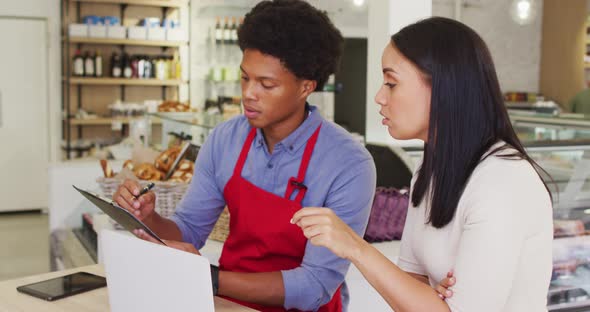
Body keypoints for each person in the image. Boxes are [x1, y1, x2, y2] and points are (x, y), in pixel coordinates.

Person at [113, 1, 376, 311]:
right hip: (229, 303)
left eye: (266, 84)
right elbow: (189, 231)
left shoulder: (348, 164)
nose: (249, 93)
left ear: (306, 87)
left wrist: (209, 278)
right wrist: (148, 217)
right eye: (245, 78)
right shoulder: (225, 139)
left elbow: (314, 286)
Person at [292, 17, 553, 312]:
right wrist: (429, 297)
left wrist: (355, 247)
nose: (379, 97)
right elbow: (411, 289)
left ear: (444, 87)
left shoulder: (502, 182)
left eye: (391, 83)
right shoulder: (429, 170)